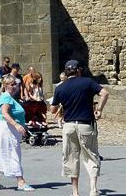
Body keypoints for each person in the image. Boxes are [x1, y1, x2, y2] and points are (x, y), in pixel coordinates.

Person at [50, 60, 109, 196]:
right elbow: (105, 93)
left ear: (66, 72)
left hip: (69, 126)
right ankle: (93, 189)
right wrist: (99, 109)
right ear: (78, 70)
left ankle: (75, 192)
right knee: (91, 156)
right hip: (85, 124)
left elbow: (53, 110)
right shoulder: (87, 82)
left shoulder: (60, 87)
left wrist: (61, 103)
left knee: (71, 157)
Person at [0, 74, 34, 191]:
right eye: (12, 84)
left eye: (15, 84)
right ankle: (20, 181)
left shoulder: (6, 97)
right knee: (13, 152)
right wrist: (17, 125)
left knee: (2, 151)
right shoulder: (6, 97)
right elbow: (5, 113)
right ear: (5, 85)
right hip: (8, 129)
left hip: (5, 128)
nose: (15, 86)